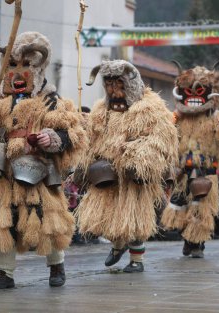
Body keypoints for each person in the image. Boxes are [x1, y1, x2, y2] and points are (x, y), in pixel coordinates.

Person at [0, 32, 86, 289]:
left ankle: (56, 265)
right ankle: (4, 273)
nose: (18, 71)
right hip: (0, 172)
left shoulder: (52, 101)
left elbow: (74, 133)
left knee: (47, 218)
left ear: (37, 66)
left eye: (25, 65)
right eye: (13, 64)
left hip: (38, 169)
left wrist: (53, 138)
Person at [76, 60, 178, 272]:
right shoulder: (100, 110)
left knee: (135, 217)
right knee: (106, 216)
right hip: (107, 173)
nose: (113, 88)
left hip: (135, 175)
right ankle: (118, 244)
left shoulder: (150, 107)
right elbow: (92, 138)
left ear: (129, 83)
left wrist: (136, 155)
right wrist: (85, 163)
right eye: (109, 83)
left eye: (118, 82)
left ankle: (136, 260)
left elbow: (162, 139)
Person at [161, 63, 219, 258]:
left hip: (206, 174)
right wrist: (174, 117)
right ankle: (187, 238)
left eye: (200, 90)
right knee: (179, 211)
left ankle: (197, 243)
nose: (194, 96)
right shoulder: (178, 118)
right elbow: (163, 134)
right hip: (183, 173)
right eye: (189, 91)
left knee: (201, 210)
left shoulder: (217, 118)